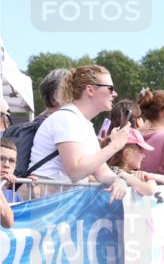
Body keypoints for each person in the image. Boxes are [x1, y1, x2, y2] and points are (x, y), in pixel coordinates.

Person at [29, 64, 150, 201]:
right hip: (43, 203)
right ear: (90, 90)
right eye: (110, 88)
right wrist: (115, 145)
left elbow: (102, 172)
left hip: (56, 201)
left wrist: (119, 179)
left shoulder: (83, 124)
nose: (115, 94)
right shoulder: (66, 118)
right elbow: (75, 171)